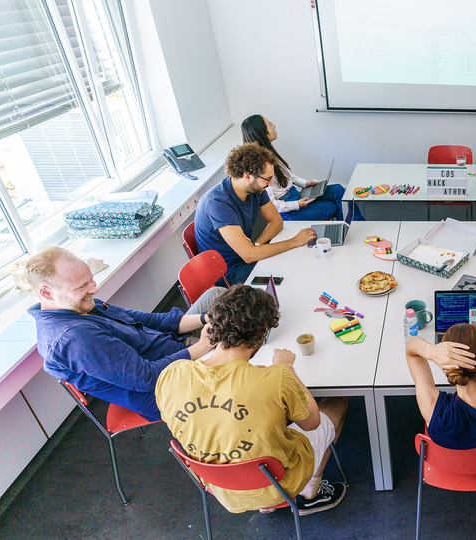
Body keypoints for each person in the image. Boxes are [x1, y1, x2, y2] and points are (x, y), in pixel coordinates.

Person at [156, 285, 349, 514]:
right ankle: (310, 492)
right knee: (338, 402)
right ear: (262, 333)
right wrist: (287, 370)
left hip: (221, 488)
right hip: (278, 484)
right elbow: (312, 422)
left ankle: (264, 502)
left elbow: (193, 421)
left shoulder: (171, 374)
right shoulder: (277, 378)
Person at [24, 246, 220, 422]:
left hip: (175, 347)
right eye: (82, 286)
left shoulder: (80, 305)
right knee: (242, 349)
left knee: (215, 297)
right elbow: (147, 378)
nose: (94, 288)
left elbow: (147, 320)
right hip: (169, 385)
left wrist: (206, 318)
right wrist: (203, 345)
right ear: (47, 293)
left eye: (90, 279)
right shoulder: (74, 338)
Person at [194, 143, 316, 286]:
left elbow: (276, 221)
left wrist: (257, 245)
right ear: (247, 176)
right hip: (228, 271)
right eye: (267, 179)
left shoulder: (255, 189)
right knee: (287, 273)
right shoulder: (218, 203)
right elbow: (248, 256)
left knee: (292, 260)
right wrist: (294, 241)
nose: (270, 184)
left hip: (244, 256)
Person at [240, 114, 347, 221]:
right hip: (288, 210)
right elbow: (272, 204)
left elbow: (287, 175)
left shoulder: (268, 151)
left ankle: (358, 224)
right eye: (270, 124)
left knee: (337, 189)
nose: (274, 126)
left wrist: (305, 183)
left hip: (295, 194)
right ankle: (350, 230)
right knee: (331, 208)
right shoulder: (260, 166)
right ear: (262, 133)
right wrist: (296, 204)